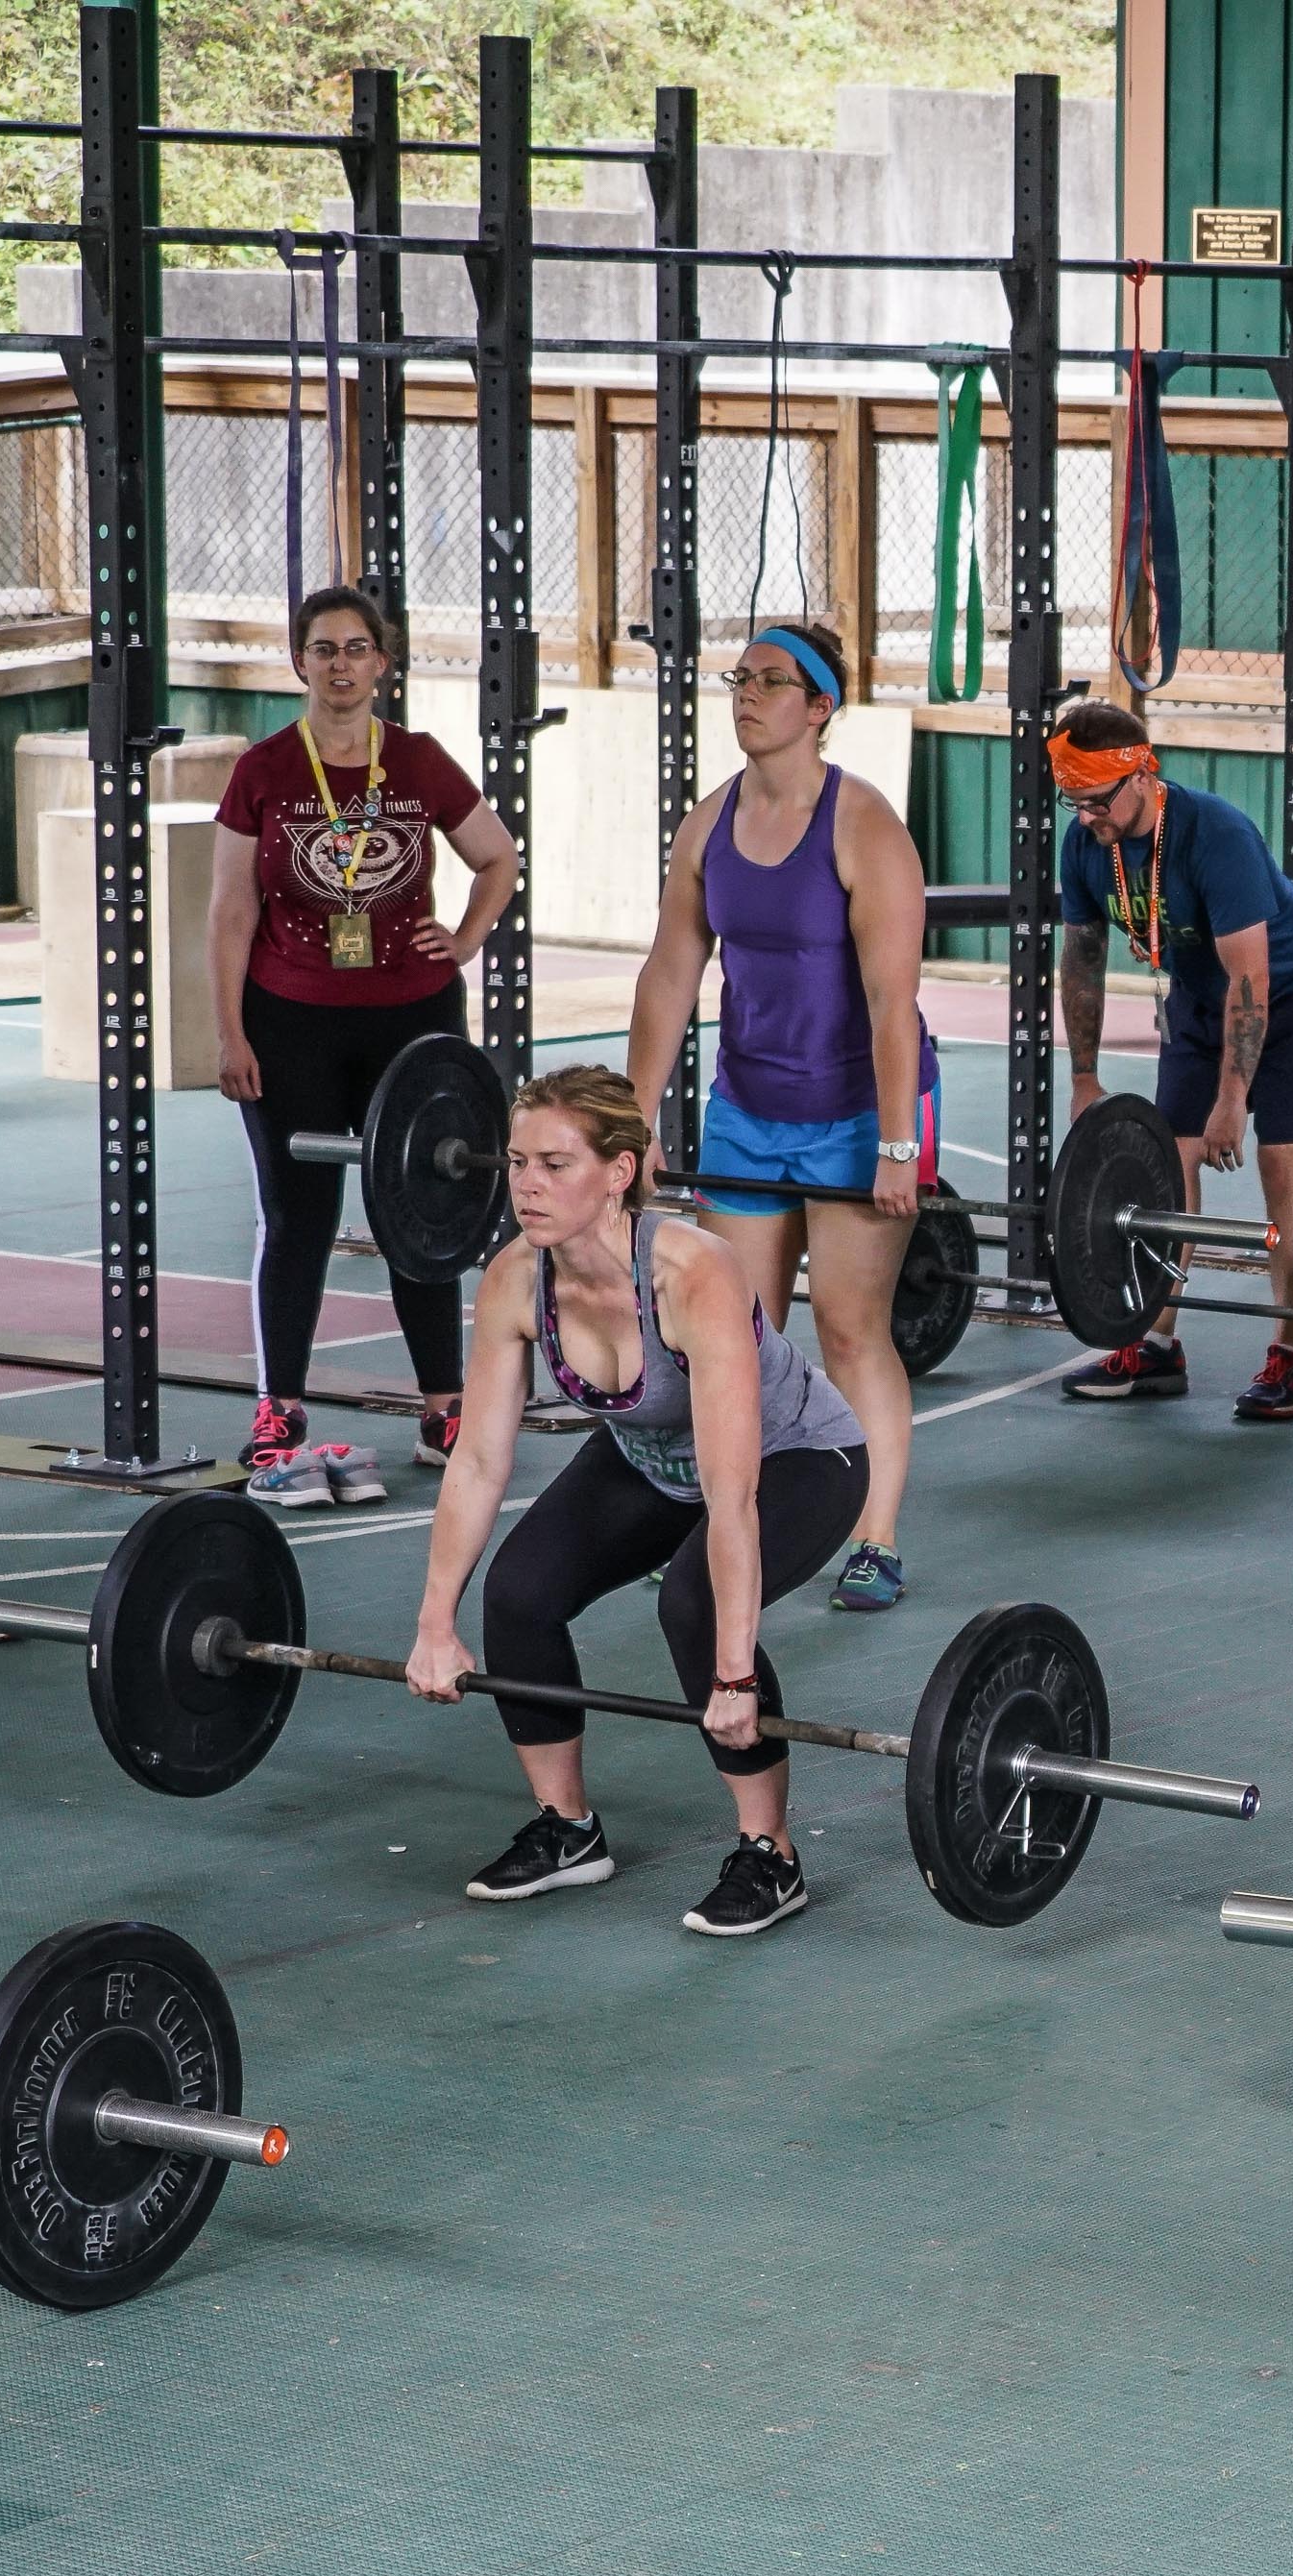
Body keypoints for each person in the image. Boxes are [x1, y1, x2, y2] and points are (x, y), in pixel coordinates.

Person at [404, 1068, 867, 1936]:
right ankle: (568, 1829)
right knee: (520, 1592)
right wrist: (436, 1623)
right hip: (654, 1458)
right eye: (516, 1163)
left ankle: (771, 1853)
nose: (527, 1185)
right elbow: (476, 1463)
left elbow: (732, 1495)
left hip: (796, 1457)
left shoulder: (693, 1272)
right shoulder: (516, 1278)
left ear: (620, 1171)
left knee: (695, 1603)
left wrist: (734, 1673)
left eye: (554, 1163)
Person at [624, 620, 936, 1609]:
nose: (746, 694)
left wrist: (895, 1145)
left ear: (819, 708)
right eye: (738, 677)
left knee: (849, 1331)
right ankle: (727, 1528)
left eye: (771, 681)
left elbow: (893, 1000)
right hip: (748, 1109)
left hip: (858, 1111)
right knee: (728, 1335)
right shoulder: (704, 825)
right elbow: (671, 973)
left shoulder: (865, 828)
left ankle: (875, 1538)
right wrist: (633, 1121)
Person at [202, 582, 519, 1506]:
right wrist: (230, 1032)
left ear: (383, 662)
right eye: (323, 649)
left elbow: (498, 857)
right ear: (300, 662)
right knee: (297, 1214)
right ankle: (281, 1411)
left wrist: (462, 939)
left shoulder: (417, 762)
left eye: (356, 648)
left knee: (422, 1215)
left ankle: (443, 1406)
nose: (340, 665)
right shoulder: (262, 770)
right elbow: (229, 912)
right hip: (288, 1019)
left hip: (410, 1017)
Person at [1048, 703, 1293, 1421]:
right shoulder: (1085, 843)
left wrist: (1233, 1099)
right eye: (1074, 802)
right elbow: (1082, 960)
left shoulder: (1214, 835)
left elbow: (1251, 980)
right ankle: (1156, 1345)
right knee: (1168, 1155)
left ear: (1141, 772)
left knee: (1283, 1162)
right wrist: (1083, 1077)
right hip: (1199, 990)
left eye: (1097, 801)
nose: (1087, 817)